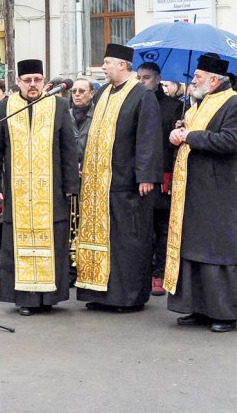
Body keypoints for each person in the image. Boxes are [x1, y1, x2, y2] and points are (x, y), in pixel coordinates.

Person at [165, 53, 237, 334]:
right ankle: (199, 307)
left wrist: (190, 136)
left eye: (198, 78)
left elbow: (232, 141)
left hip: (217, 191)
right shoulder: (197, 105)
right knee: (192, 249)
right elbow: (190, 133)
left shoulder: (235, 104)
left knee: (217, 250)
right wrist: (178, 132)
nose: (193, 81)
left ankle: (224, 313)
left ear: (215, 80)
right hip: (192, 190)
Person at [0, 58, 77, 316]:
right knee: (19, 245)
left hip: (52, 191)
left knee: (53, 243)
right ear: (18, 82)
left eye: (37, 80)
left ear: (44, 81)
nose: (33, 85)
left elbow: (68, 149)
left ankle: (49, 297)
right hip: (18, 192)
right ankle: (25, 298)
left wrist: (71, 185)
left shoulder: (58, 105)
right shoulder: (5, 107)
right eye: (28, 81)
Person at [75, 45, 162, 313]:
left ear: (123, 65)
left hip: (126, 182)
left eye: (107, 63)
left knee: (126, 240)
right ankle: (98, 292)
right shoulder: (102, 93)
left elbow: (149, 137)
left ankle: (126, 297)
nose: (103, 67)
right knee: (101, 238)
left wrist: (146, 175)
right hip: (97, 183)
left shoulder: (142, 95)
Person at [136, 61, 183, 296]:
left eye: (146, 78)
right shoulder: (135, 100)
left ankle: (159, 272)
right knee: (143, 226)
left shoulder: (175, 106)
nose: (141, 82)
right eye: (139, 77)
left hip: (164, 172)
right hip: (139, 173)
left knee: (162, 226)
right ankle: (143, 270)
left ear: (157, 79)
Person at [68, 77, 95, 162]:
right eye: (74, 91)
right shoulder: (65, 115)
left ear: (91, 94)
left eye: (81, 91)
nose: (77, 94)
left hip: (91, 167)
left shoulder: (98, 115)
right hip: (70, 168)